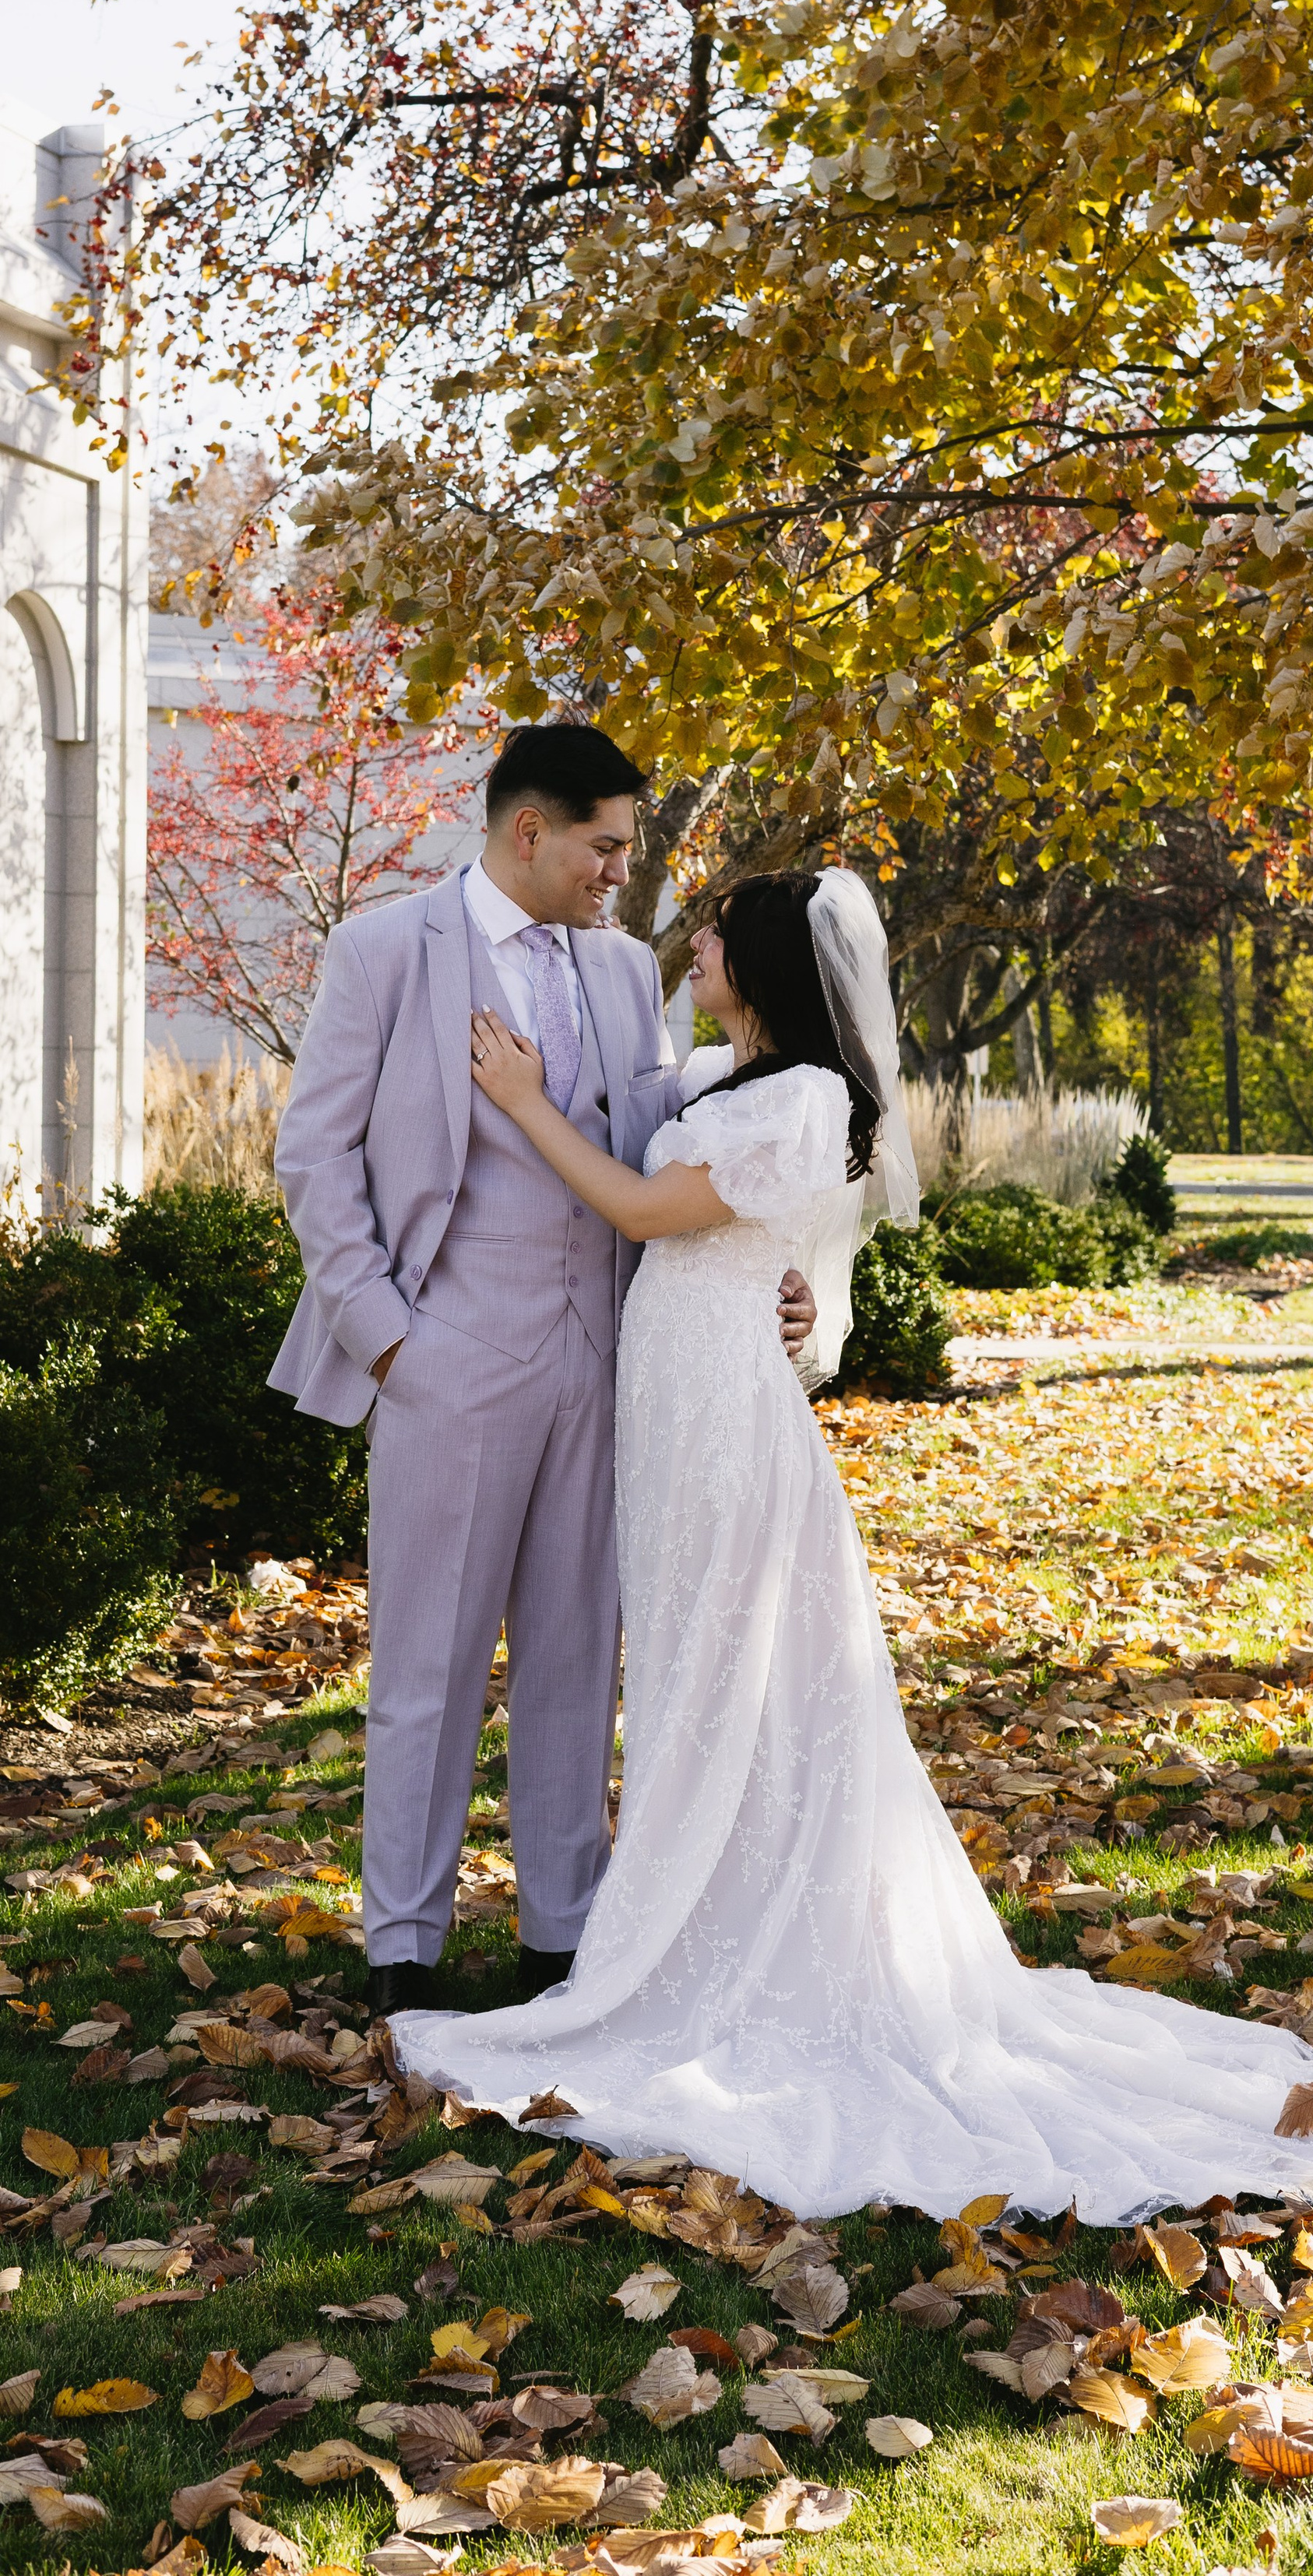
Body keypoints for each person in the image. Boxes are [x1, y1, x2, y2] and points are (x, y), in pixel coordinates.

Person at [388, 867, 1313, 2222]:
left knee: (724, 1687)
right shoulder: (718, 1074)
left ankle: (711, 1955)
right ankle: (690, 1924)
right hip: (674, 1418)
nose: (692, 942)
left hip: (728, 1429)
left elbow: (651, 1220)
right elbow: (779, 1255)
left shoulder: (804, 1098)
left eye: (716, 932)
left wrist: (519, 1107)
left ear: (766, 964)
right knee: (689, 1682)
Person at [271, 724, 815, 2021]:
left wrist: (773, 1279)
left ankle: (563, 1942)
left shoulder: (628, 973)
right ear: (532, 831)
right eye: (607, 846)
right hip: (447, 1353)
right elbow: (314, 1156)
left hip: (608, 1357)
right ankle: (404, 1945)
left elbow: (684, 1147)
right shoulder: (388, 951)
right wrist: (391, 1337)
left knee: (581, 1659)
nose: (622, 875)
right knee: (429, 1664)